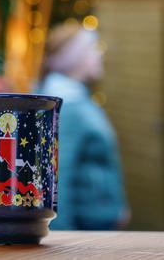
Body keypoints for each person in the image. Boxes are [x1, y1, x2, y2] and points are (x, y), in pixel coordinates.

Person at [36, 23, 129, 230]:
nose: (99, 55)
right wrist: (63, 243)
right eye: (92, 49)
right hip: (87, 228)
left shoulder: (77, 98)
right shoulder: (69, 106)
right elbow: (58, 175)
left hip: (97, 220)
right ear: (74, 59)